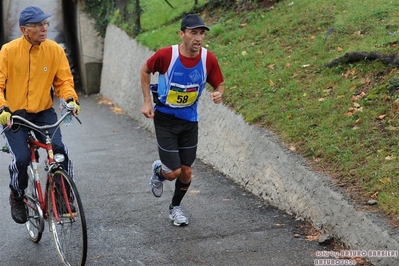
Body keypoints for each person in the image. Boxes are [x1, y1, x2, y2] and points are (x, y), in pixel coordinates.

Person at [140, 14, 224, 226]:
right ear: (182, 34)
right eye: (193, 33)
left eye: (201, 33)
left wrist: (218, 93)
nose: (198, 38)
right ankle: (159, 171)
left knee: (186, 172)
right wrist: (147, 102)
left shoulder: (208, 59)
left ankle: (175, 208)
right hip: (166, 120)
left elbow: (219, 84)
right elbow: (145, 69)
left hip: (189, 121)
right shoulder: (167, 55)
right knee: (173, 172)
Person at [0, 6, 80, 224]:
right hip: (14, 115)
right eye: (37, 25)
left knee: (60, 150)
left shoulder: (54, 50)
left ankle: (62, 198)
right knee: (23, 159)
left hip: (43, 112)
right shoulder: (8, 51)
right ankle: (17, 194)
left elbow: (63, 81)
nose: (44, 28)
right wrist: (3, 107)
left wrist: (70, 99)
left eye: (45, 23)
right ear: (24, 29)